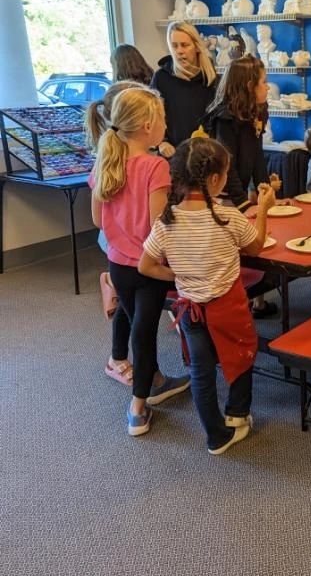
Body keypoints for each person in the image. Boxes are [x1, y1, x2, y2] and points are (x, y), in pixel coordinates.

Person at [139, 138, 275, 454]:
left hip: (190, 309)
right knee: (241, 355)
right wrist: (264, 209)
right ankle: (237, 415)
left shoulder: (166, 221)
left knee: (201, 372)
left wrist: (178, 276)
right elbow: (256, 246)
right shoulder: (226, 216)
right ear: (214, 179)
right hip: (227, 306)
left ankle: (215, 435)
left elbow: (145, 265)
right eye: (226, 174)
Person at [88, 87, 190, 436]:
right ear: (148, 126)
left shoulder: (105, 162)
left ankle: (155, 380)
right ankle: (137, 406)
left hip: (118, 265)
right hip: (148, 267)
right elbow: (156, 226)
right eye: (163, 119)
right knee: (144, 334)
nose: (166, 126)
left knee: (139, 328)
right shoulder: (155, 166)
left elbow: (98, 220)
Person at [207, 54, 281, 318]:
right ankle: (232, 304)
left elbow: (257, 153)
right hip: (225, 192)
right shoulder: (224, 118)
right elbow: (227, 165)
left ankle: (258, 301)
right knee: (237, 248)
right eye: (264, 82)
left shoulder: (258, 109)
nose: (267, 87)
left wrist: (264, 189)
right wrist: (243, 203)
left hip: (241, 186)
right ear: (249, 86)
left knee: (257, 237)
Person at [86, 80, 146, 387]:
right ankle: (118, 359)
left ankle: (112, 281)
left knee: (130, 300)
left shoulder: (136, 157)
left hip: (126, 246)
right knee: (130, 304)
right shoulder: (110, 160)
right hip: (121, 245)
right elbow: (99, 219)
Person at [151, 21, 217, 157]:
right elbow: (151, 116)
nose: (179, 51)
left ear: (197, 47)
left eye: (185, 45)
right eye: (174, 46)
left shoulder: (211, 78)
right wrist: (161, 143)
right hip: (173, 156)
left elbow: (218, 121)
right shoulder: (161, 78)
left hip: (205, 155)